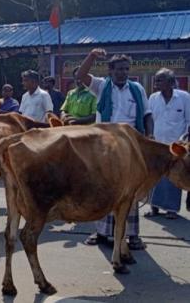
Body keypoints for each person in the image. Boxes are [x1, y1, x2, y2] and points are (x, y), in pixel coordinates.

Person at [78, 48, 153, 250]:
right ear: (110, 70)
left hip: (131, 144)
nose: (123, 72)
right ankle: (102, 233)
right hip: (105, 145)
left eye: (126, 69)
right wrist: (92, 56)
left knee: (131, 189)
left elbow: (147, 115)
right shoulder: (102, 86)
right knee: (104, 188)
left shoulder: (137, 89)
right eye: (119, 69)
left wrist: (149, 136)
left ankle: (132, 235)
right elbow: (80, 76)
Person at [147, 68, 190, 219]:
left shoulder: (184, 97)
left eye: (160, 80)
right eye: (156, 80)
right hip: (157, 144)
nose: (156, 83)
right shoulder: (153, 98)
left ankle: (172, 210)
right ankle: (154, 208)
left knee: (174, 176)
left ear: (171, 82)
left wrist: (184, 139)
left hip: (177, 145)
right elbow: (150, 118)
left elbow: (189, 121)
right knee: (155, 176)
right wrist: (150, 136)